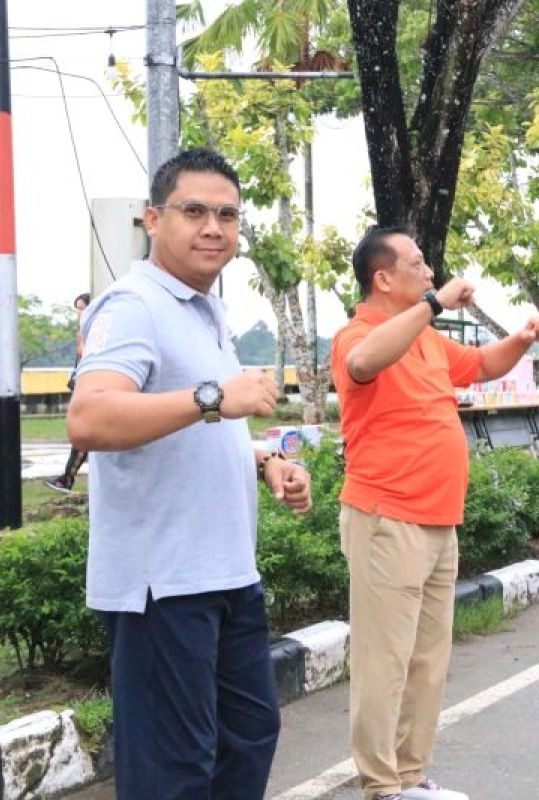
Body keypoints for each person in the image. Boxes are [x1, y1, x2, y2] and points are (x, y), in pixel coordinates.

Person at [67, 149, 312, 799]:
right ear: (154, 219)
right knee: (174, 771)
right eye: (195, 210)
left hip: (228, 574)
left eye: (227, 214)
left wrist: (266, 463)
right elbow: (90, 418)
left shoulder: (206, 309)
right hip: (163, 584)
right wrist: (211, 397)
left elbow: (203, 427)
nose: (213, 227)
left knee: (249, 739)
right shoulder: (133, 305)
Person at [331, 225, 539, 800]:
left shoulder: (426, 338)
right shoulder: (360, 333)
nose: (430, 272)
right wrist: (432, 305)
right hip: (387, 517)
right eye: (418, 264)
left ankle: (410, 776)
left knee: (428, 658)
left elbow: (481, 365)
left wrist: (524, 337)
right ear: (383, 278)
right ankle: (380, 786)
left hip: (436, 517)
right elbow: (362, 361)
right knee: (385, 661)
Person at [45, 292, 91, 494]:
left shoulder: (92, 330)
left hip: (88, 387)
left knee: (85, 436)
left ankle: (67, 478)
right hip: (82, 384)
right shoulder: (82, 331)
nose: (78, 313)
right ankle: (67, 477)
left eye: (81, 308)